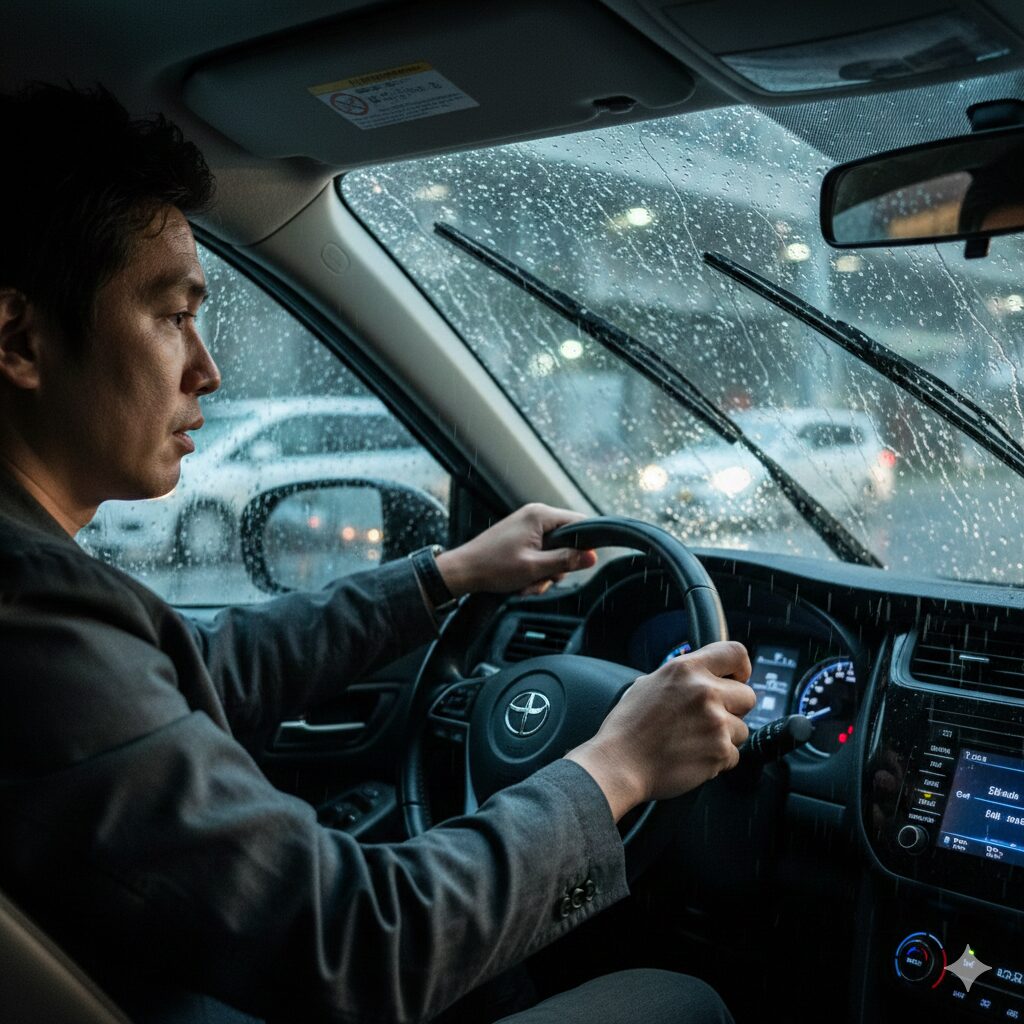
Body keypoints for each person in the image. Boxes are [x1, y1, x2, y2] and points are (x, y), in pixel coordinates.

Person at [0, 84, 755, 1024]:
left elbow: (197, 671)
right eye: (170, 316)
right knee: (676, 1001)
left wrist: (446, 575)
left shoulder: (45, 603)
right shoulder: (32, 611)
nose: (207, 369)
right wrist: (621, 765)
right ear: (21, 339)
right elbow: (364, 945)